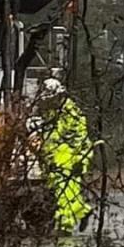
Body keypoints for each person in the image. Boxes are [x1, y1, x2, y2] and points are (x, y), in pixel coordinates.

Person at [39, 81, 93, 235]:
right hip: (55, 158)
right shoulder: (53, 112)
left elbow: (80, 138)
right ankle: (83, 211)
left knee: (64, 194)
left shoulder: (71, 113)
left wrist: (79, 160)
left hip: (69, 159)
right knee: (66, 193)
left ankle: (65, 226)